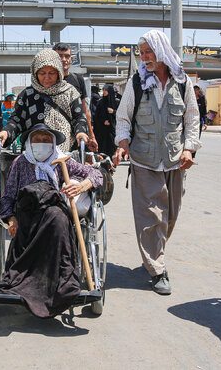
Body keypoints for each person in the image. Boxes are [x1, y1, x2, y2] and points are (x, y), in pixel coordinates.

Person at [113, 30, 201, 295]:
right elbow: (123, 118)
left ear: (162, 51)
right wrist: (124, 144)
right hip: (144, 160)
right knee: (152, 217)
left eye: (149, 52)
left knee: (170, 216)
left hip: (175, 161)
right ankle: (158, 271)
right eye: (142, 53)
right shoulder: (137, 83)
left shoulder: (182, 82)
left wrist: (189, 149)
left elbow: (192, 118)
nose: (145, 58)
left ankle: (153, 256)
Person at [0, 124, 103, 318]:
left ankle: (61, 282)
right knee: (49, 218)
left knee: (57, 219)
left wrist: (82, 186)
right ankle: (28, 282)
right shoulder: (20, 162)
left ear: (53, 143)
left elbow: (96, 174)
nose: (42, 143)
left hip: (55, 211)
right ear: (29, 142)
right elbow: (8, 196)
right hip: (28, 214)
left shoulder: (61, 160)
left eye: (46, 140)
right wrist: (11, 219)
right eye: (37, 140)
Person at [0, 49, 88, 153]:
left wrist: (81, 132)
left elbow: (79, 117)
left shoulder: (70, 92)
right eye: (42, 73)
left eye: (51, 73)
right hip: (33, 155)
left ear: (59, 73)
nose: (47, 77)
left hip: (63, 155)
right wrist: (6, 132)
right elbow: (17, 120)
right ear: (35, 73)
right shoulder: (27, 95)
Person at [53, 42, 98, 152]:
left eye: (67, 56)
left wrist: (91, 135)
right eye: (59, 56)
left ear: (71, 59)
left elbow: (84, 110)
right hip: (53, 136)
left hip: (75, 135)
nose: (64, 59)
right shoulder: (47, 81)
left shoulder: (78, 80)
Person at [93, 83, 119, 157]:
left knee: (112, 148)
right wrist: (103, 121)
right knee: (103, 148)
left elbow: (122, 114)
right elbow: (97, 115)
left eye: (105, 90)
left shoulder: (116, 102)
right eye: (103, 90)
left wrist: (113, 112)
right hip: (102, 130)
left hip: (113, 129)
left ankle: (112, 165)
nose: (104, 91)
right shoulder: (100, 102)